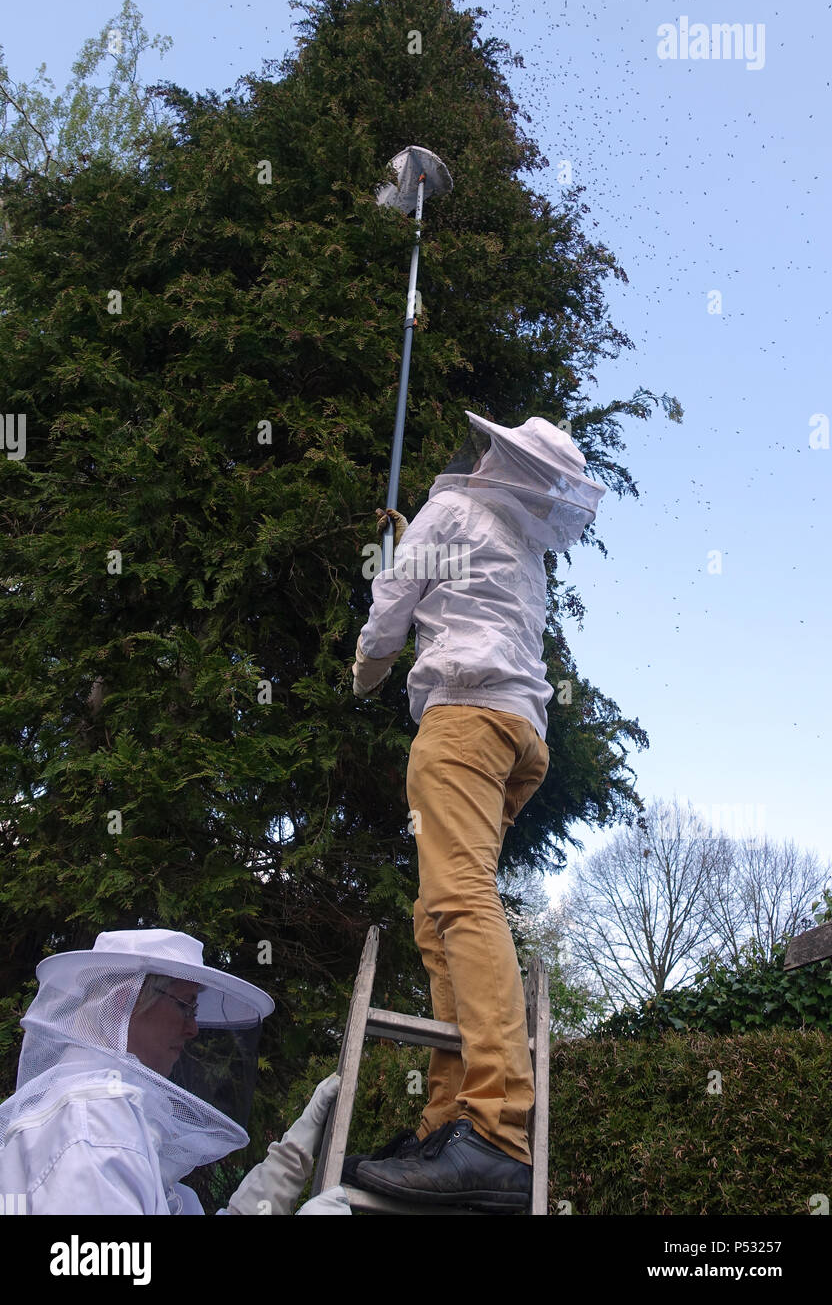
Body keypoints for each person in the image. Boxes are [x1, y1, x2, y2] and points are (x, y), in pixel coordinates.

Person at [348, 409, 606, 1211]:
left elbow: (396, 600)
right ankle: (447, 1123)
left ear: (502, 462)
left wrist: (366, 666)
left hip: (462, 724)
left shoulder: (456, 511)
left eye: (493, 450)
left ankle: (492, 1129)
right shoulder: (526, 550)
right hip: (518, 736)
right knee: (441, 918)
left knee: (458, 901)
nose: (483, 454)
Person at [0, 928, 350, 1215]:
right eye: (186, 1006)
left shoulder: (107, 1117)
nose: (193, 1029)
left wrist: (287, 1163)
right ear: (126, 1002)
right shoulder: (95, 1126)